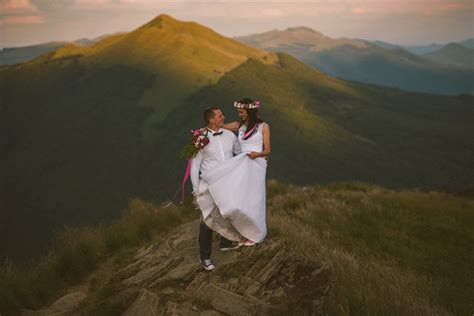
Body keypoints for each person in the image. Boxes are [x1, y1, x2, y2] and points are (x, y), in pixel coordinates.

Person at [200, 98, 270, 247]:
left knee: (255, 198)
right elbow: (219, 126)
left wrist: (256, 155)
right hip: (242, 163)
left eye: (241, 112)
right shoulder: (238, 125)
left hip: (257, 164)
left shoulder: (264, 126)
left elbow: (267, 150)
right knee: (240, 198)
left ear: (249, 111)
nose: (239, 114)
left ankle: (256, 232)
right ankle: (243, 232)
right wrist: (204, 130)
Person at [190, 107, 244, 271]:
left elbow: (239, 154)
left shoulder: (229, 135)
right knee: (207, 219)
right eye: (220, 115)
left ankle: (226, 242)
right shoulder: (200, 138)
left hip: (228, 182)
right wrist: (195, 189)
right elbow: (195, 165)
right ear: (212, 120)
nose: (224, 117)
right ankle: (205, 257)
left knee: (228, 212)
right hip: (209, 185)